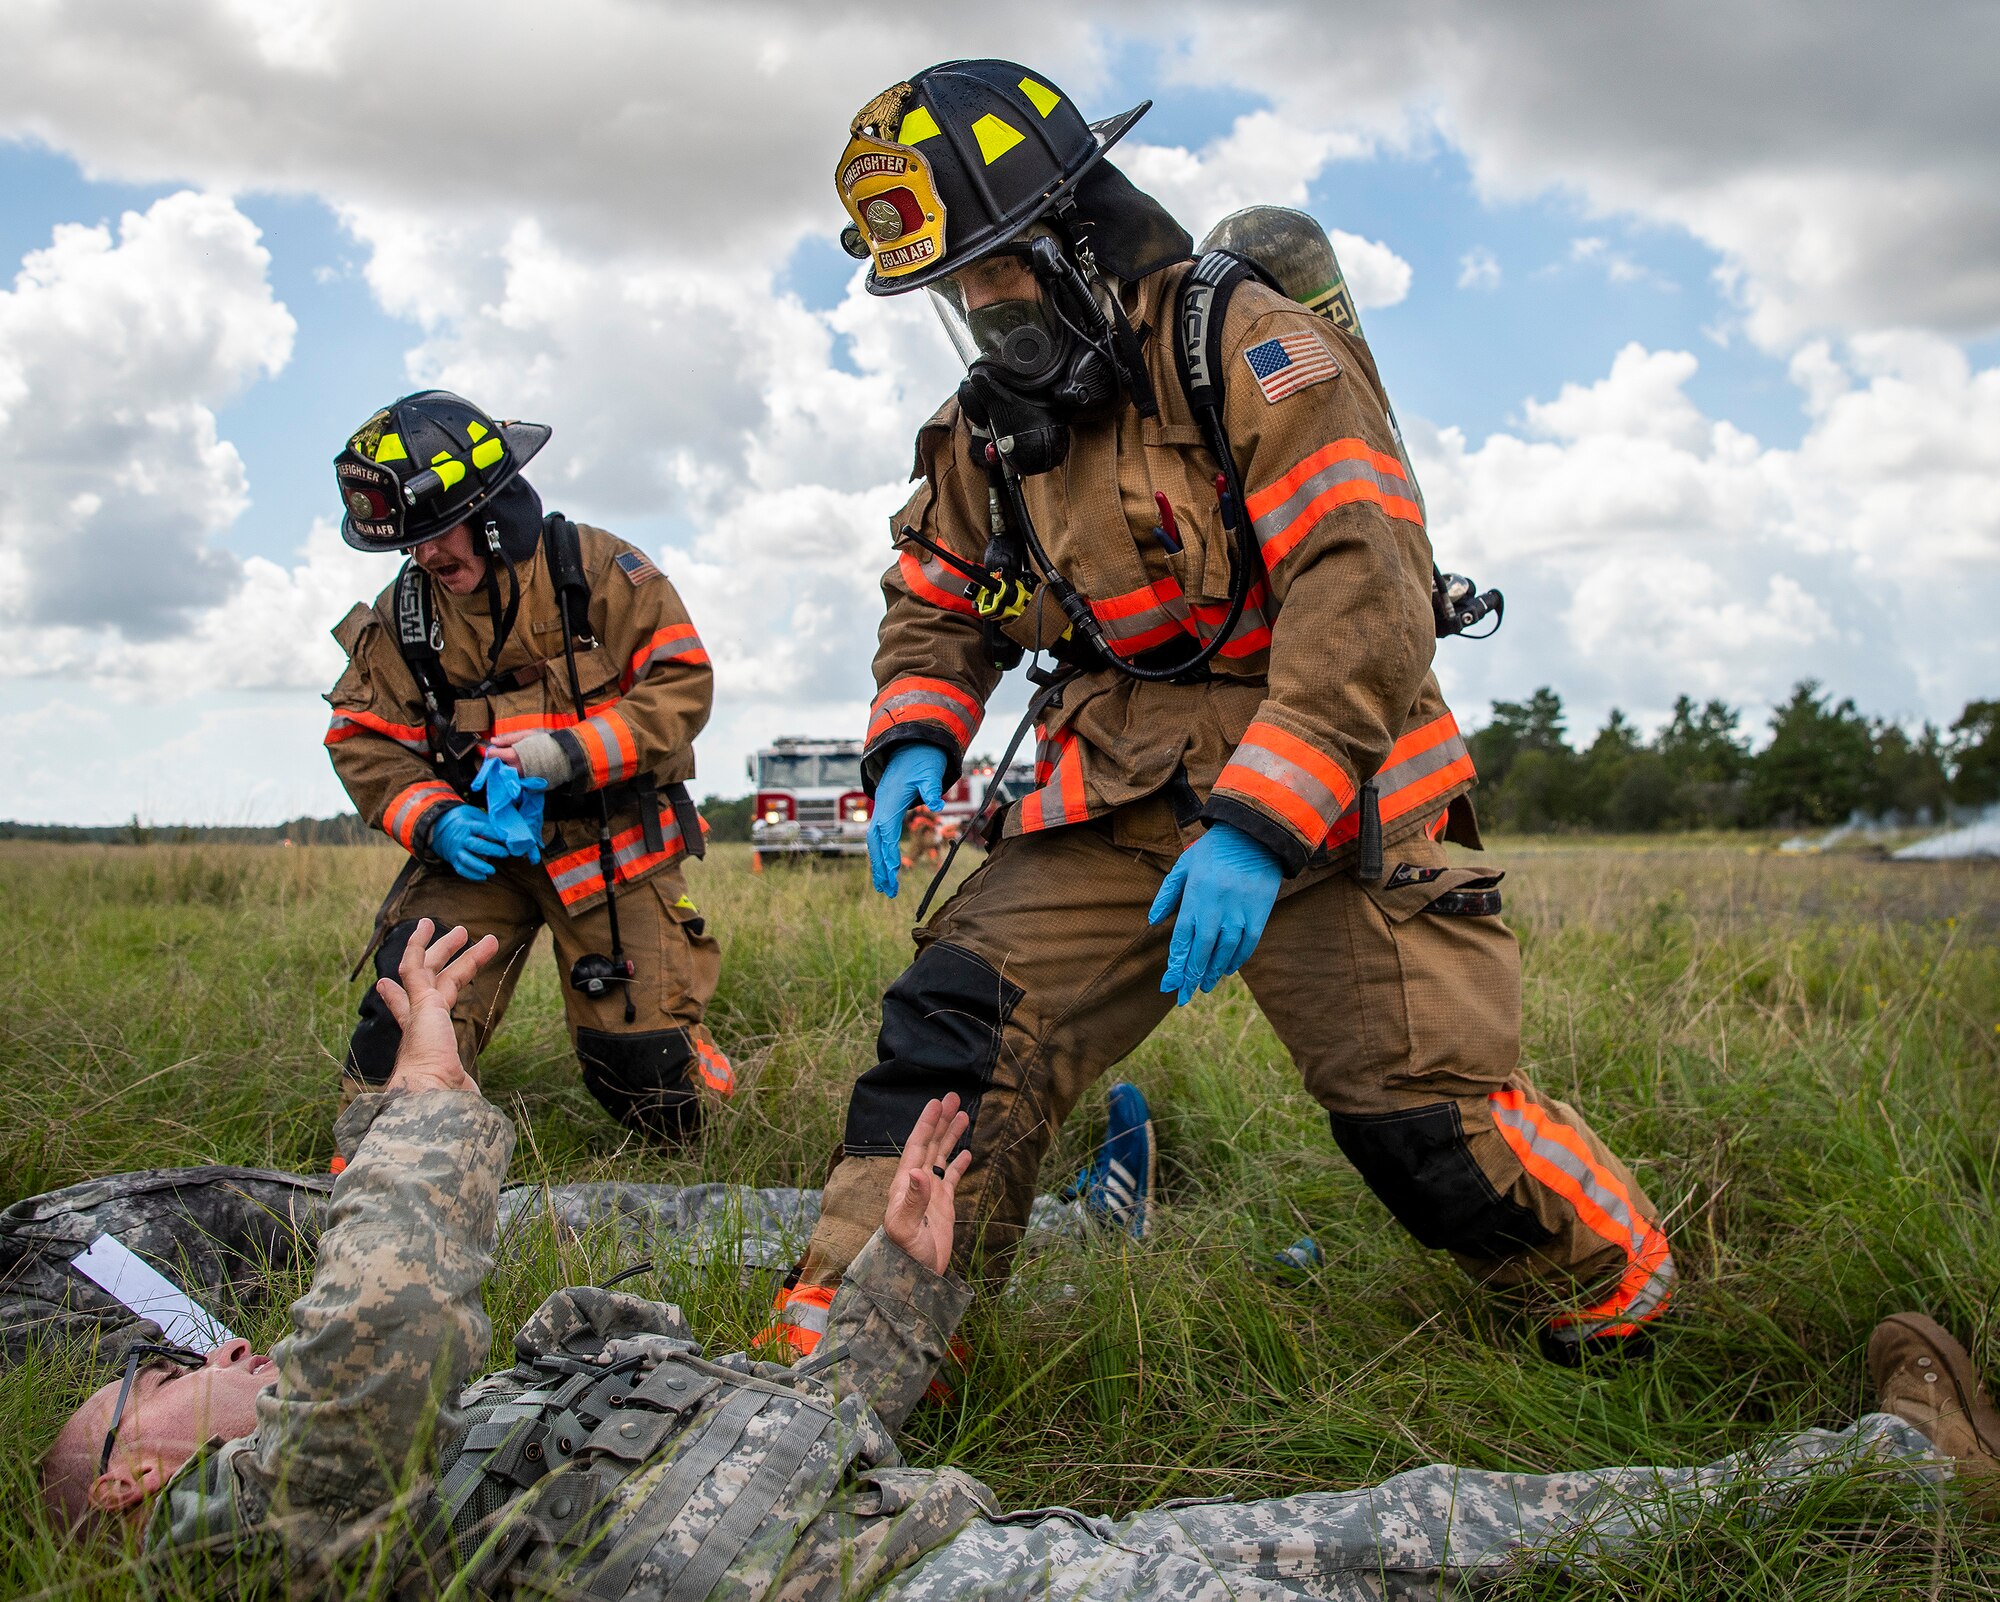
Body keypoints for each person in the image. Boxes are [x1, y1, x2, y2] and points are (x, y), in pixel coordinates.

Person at [35, 924, 1996, 1598]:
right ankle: (1884, 1481)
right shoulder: (273, 1527)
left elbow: (773, 1437)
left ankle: (1895, 1469)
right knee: (1393, 1548)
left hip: (927, 1547)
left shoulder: (497, 1428)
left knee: (1405, 1521)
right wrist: (426, 1099)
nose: (233, 1356)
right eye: (176, 1376)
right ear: (135, 1478)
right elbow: (378, 1326)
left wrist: (897, 1285)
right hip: (918, 1582)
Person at [772, 58, 1669, 1360]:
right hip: (1115, 779)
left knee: (1420, 1120)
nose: (977, 306)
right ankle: (856, 1342)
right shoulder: (988, 428)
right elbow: (938, 599)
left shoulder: (1248, 346)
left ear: (1078, 235)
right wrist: (914, 734)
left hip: (1324, 779)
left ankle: (1613, 1289)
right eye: (953, 287)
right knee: (957, 1037)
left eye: (995, 267)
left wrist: (1256, 827)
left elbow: (1363, 586)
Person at [324, 389, 732, 1142]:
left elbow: (682, 684)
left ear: (491, 509)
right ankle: (378, 1175)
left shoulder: (597, 570)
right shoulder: (405, 612)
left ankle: (707, 1127)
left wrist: (567, 754)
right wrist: (436, 821)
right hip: (481, 856)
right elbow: (360, 738)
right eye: (411, 544)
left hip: (608, 848)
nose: (426, 557)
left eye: (437, 533)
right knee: (402, 1022)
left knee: (642, 1072)